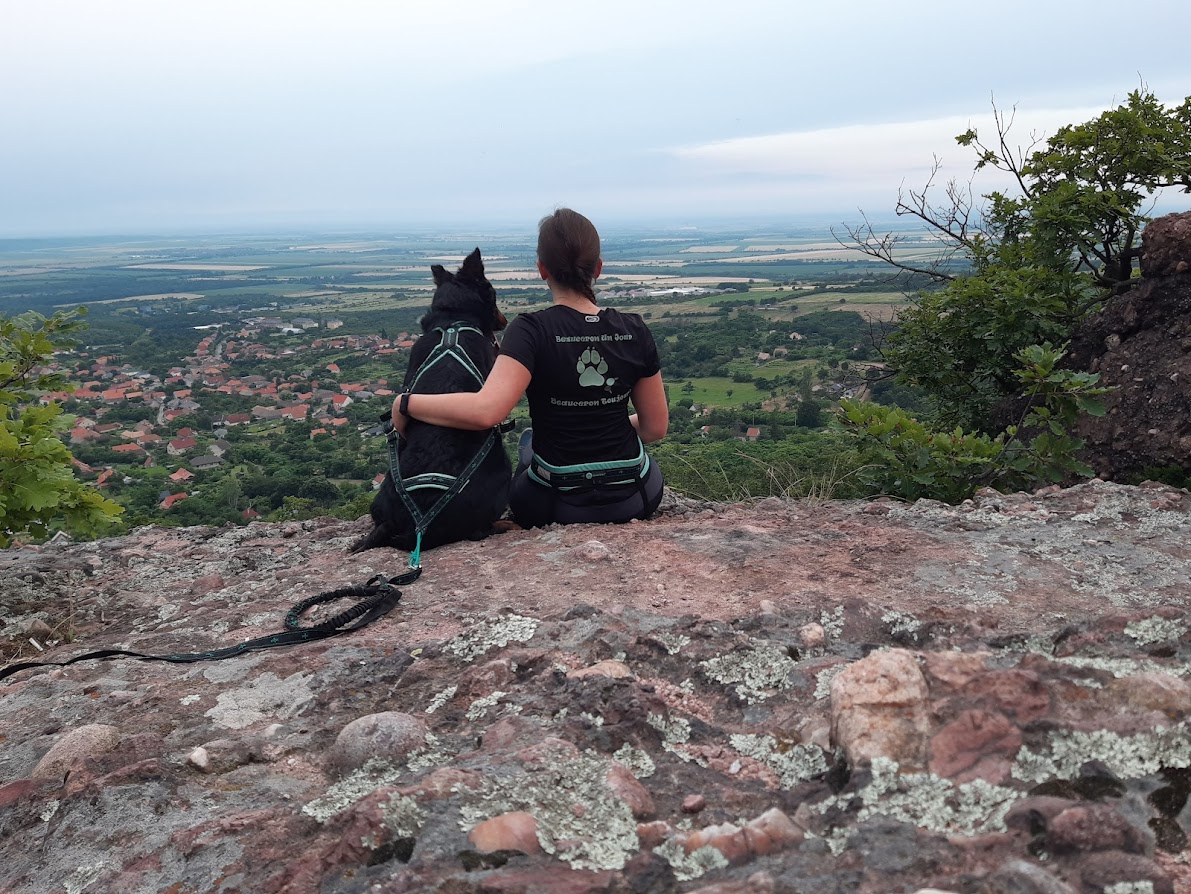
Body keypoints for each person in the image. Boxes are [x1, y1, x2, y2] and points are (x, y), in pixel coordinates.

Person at [391, 208, 667, 528]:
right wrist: (603, 425)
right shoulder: (634, 329)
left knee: (528, 452)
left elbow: (486, 411)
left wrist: (406, 403)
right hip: (636, 496)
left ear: (541, 269)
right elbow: (654, 429)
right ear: (599, 269)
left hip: (556, 504)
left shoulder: (531, 330)